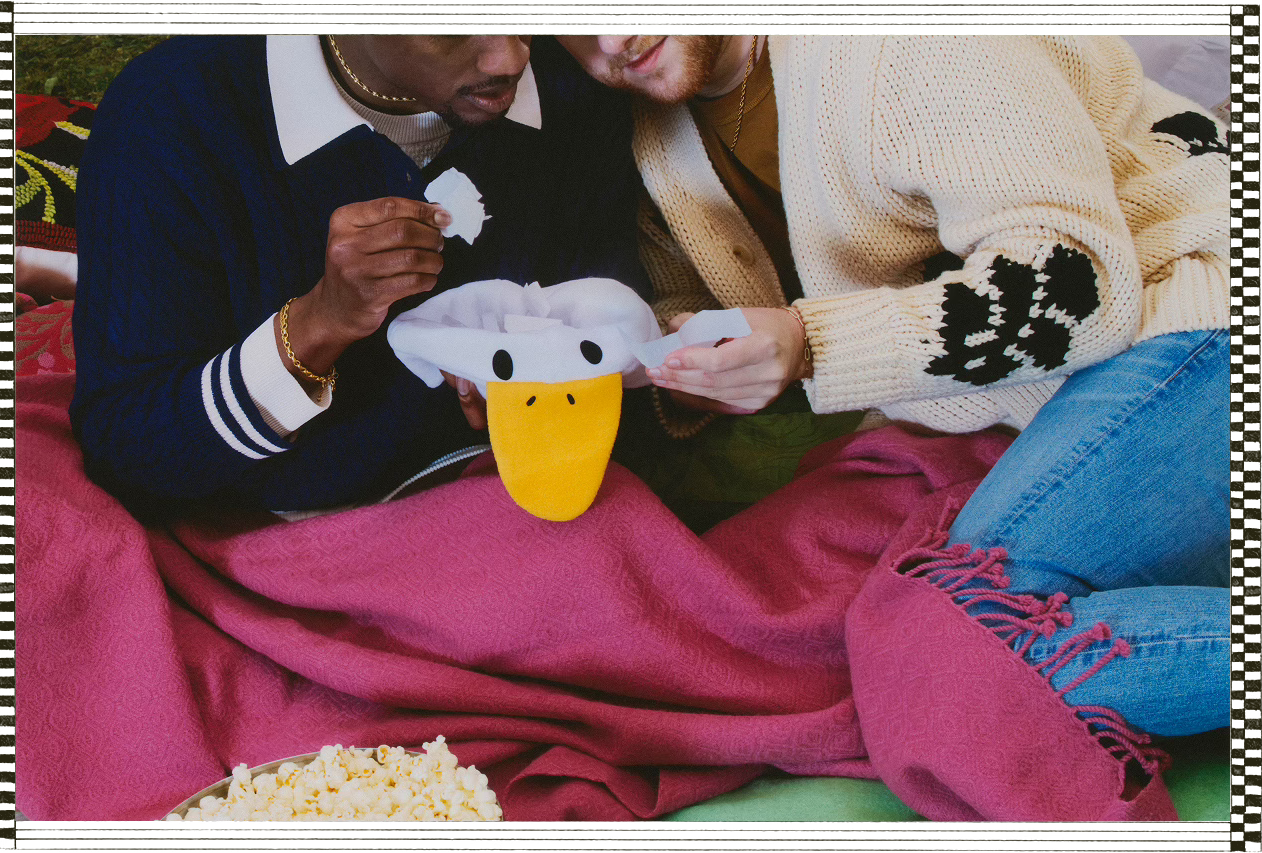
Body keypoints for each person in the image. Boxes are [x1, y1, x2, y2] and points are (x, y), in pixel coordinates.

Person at [558, 35, 1229, 738]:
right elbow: (686, 300)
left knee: (964, 634)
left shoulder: (911, 43)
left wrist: (810, 342)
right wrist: (656, 362)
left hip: (1200, 316)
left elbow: (1072, 285)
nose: (612, 36)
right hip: (1073, 400)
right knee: (883, 643)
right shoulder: (657, 131)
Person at [70, 36, 650, 520]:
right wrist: (320, 324)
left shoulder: (568, 86)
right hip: (287, 540)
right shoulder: (175, 112)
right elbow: (128, 449)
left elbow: (614, 310)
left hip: (539, 515)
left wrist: (547, 368)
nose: (507, 58)